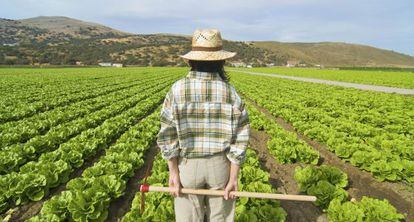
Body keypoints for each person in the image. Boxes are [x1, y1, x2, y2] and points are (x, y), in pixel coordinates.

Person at [157, 29, 250, 222]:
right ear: (221, 61)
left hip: (188, 166)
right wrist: (233, 177)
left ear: (190, 61)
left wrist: (173, 172)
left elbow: (167, 135)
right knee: (220, 218)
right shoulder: (230, 92)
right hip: (220, 166)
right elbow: (241, 138)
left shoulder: (177, 89)